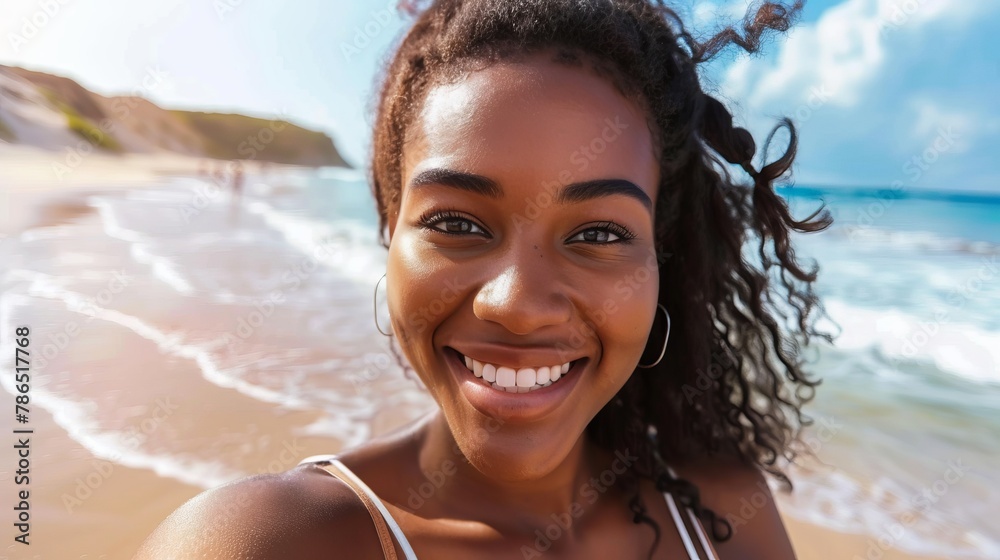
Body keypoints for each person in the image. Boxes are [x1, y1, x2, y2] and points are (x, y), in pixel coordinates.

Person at [134, 1, 830, 558]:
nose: (518, 306)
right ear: (389, 232)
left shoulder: (719, 515)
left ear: (659, 263)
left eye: (598, 234)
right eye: (458, 224)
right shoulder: (264, 544)